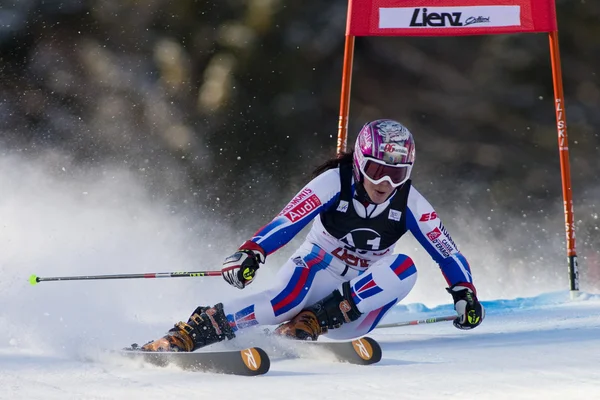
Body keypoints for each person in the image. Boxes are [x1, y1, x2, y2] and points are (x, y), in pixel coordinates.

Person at [141, 119, 485, 352]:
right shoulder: (335, 180)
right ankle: (190, 333)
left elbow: (447, 252)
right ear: (361, 162)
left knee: (405, 268)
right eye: (378, 171)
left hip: (352, 310)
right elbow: (288, 220)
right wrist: (252, 252)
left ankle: (311, 323)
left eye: (397, 174)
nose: (385, 184)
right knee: (284, 301)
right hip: (317, 269)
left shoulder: (410, 201)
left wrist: (465, 293)